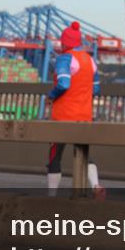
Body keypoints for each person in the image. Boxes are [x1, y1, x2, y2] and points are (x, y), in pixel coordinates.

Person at [46, 21, 104, 199]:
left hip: (63, 116)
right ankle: (96, 185)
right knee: (83, 153)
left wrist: (51, 95)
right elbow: (96, 89)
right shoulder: (89, 59)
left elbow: (63, 83)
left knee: (54, 156)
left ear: (64, 43)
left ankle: (51, 195)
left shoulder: (65, 58)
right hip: (84, 115)